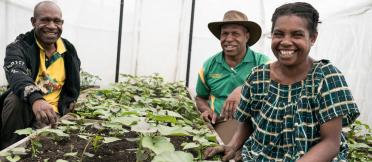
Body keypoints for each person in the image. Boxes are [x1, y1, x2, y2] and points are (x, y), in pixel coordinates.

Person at [204, 2, 360, 162]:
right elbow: (248, 122)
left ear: (312, 37)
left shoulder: (326, 77)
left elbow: (330, 143)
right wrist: (233, 145)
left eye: (297, 35)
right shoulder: (258, 76)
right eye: (279, 34)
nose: (285, 41)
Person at [0, 1, 80, 149]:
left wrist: (70, 103)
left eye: (57, 21)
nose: (51, 26)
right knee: (16, 100)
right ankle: (7, 149)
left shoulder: (68, 50)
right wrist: (36, 100)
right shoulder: (19, 47)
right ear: (33, 21)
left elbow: (74, 83)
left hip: (53, 114)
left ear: (62, 24)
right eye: (45, 20)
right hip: (25, 109)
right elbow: (17, 75)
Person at [195, 10, 270, 144]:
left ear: (246, 37)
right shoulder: (209, 65)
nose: (229, 39)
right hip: (220, 123)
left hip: (254, 123)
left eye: (235, 33)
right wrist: (206, 110)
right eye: (225, 33)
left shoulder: (263, 63)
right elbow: (200, 97)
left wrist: (243, 89)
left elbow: (278, 84)